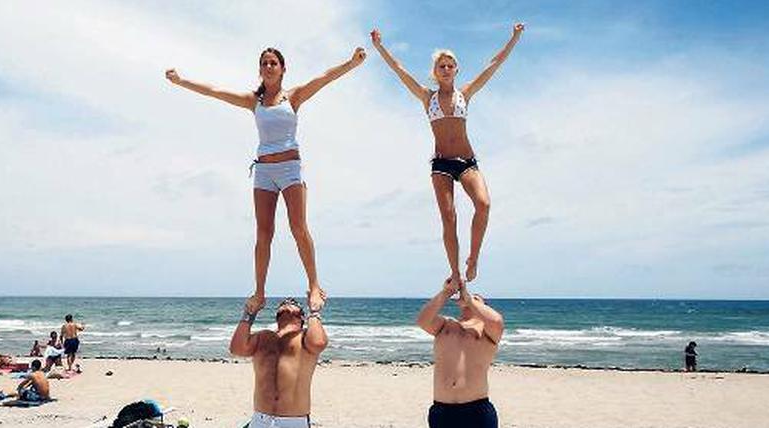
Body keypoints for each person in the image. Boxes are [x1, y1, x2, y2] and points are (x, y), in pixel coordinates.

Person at [165, 45, 367, 312]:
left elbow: (325, 78)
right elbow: (214, 92)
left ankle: (314, 285)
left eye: (274, 63)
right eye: (265, 63)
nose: (269, 67)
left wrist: (352, 63)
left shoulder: (293, 97)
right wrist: (181, 81)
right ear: (260, 70)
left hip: (290, 169)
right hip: (263, 172)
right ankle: (259, 293)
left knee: (298, 228)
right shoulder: (254, 101)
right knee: (263, 234)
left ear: (283, 69)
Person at [371, 24, 524, 287]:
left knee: (484, 204)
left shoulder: (465, 94)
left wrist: (514, 37)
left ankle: (473, 258)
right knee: (449, 218)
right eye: (441, 66)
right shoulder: (426, 97)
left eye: (450, 65)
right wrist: (379, 47)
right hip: (441, 164)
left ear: (456, 70)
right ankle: (455, 272)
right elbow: (399, 70)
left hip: (467, 162)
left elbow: (494, 64)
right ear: (435, 72)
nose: (445, 69)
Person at [416, 279, 504, 428]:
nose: (469, 297)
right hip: (442, 410)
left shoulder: (486, 330)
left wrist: (469, 299)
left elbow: (497, 321)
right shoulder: (445, 325)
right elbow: (423, 320)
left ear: (484, 307)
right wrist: (446, 292)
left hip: (477, 410)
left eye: (477, 299)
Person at [230, 297, 328, 428]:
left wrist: (314, 310)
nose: (287, 303)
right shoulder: (263, 337)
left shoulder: (304, 338)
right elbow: (237, 348)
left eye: (293, 303)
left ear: (302, 317)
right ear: (276, 317)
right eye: (283, 304)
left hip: (293, 421)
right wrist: (249, 313)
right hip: (260, 419)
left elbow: (319, 343)